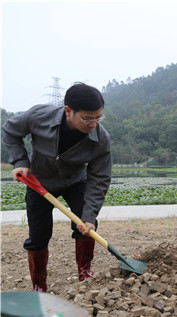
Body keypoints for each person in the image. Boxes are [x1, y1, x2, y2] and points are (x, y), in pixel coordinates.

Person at [2, 82, 112, 292]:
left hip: (75, 181)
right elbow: (10, 130)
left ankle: (85, 272)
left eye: (99, 117)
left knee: (86, 226)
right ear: (68, 111)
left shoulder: (101, 139)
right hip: (39, 182)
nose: (94, 123)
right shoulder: (38, 116)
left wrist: (89, 217)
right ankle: (39, 286)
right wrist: (20, 162)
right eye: (88, 118)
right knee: (39, 235)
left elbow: (100, 178)